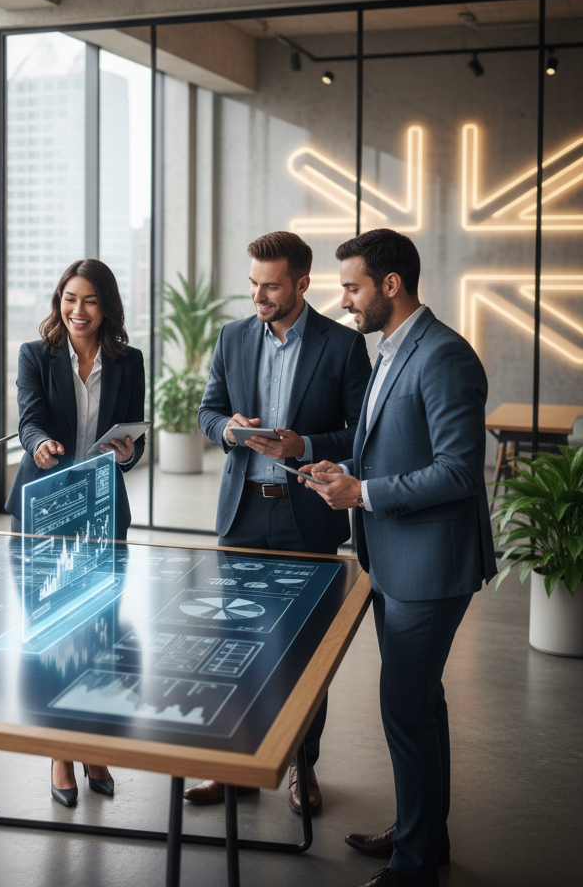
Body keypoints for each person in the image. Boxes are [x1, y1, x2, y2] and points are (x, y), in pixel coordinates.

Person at [300, 229, 496, 887]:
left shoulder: (445, 357)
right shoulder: (388, 352)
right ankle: (424, 835)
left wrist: (366, 493)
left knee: (404, 705)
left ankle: (413, 866)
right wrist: (346, 470)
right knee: (420, 703)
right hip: (393, 558)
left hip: (430, 568)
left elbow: (461, 473)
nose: (345, 299)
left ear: (391, 284)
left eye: (353, 286)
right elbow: (391, 449)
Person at [193, 230, 372, 814]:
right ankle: (235, 766)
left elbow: (360, 432)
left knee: (303, 651)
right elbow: (207, 411)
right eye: (252, 284)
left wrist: (305, 442)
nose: (258, 296)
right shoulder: (232, 337)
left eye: (270, 286)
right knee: (233, 643)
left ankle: (302, 768)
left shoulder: (343, 346)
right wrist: (228, 428)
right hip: (243, 510)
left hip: (307, 512)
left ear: (301, 283)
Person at [5, 258, 146, 807]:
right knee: (50, 633)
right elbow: (29, 418)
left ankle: (93, 744)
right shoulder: (35, 356)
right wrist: (37, 444)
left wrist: (129, 451)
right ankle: (60, 755)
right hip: (44, 510)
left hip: (103, 508)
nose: (77, 311)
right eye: (68, 298)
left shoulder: (128, 360)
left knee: (100, 632)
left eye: (88, 300)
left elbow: (135, 432)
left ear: (106, 305)